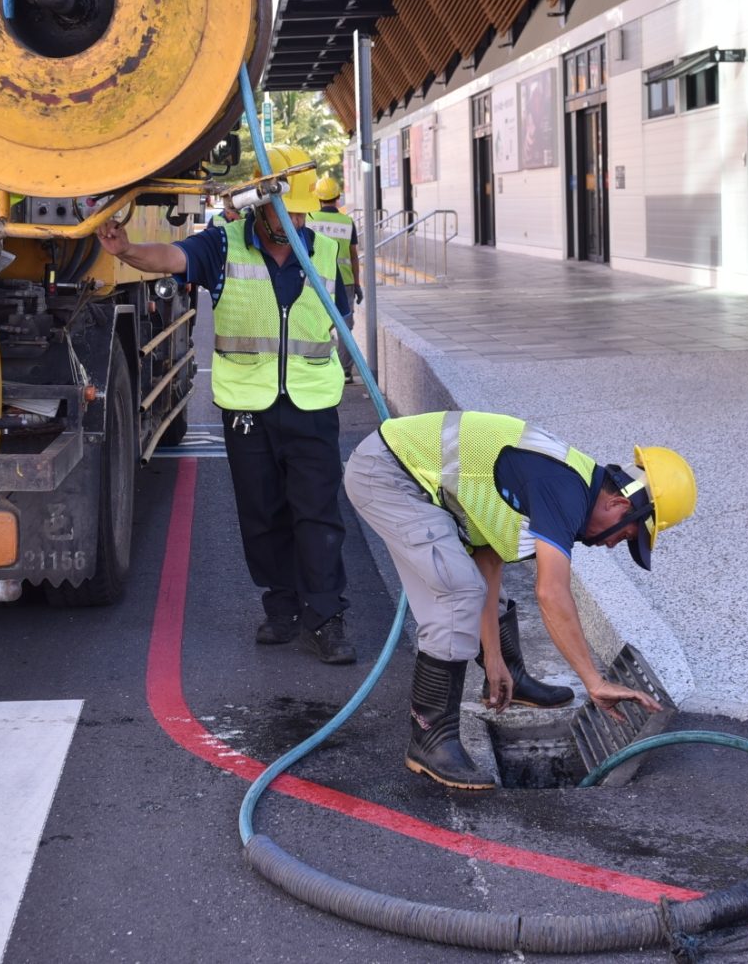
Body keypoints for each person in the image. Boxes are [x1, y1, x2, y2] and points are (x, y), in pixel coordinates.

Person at [96, 145, 358, 662]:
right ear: (260, 203)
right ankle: (281, 608)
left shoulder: (323, 252)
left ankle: (325, 618)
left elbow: (340, 316)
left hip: (311, 406)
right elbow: (172, 257)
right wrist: (126, 250)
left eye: (301, 211)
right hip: (248, 409)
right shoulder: (223, 245)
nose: (294, 219)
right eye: (284, 209)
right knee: (262, 514)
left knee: (318, 516)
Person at [342, 409, 696, 789]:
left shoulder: (574, 483)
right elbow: (551, 592)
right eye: (626, 535)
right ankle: (430, 739)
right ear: (620, 505)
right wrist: (594, 681)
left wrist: (493, 659)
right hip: (388, 475)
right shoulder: (564, 491)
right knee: (457, 592)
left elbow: (489, 558)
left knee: (474, 584)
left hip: (407, 472)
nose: (614, 544)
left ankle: (510, 679)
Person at [306, 175, 362, 378]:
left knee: (314, 323)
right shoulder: (347, 221)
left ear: (317, 198)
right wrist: (357, 284)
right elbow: (354, 255)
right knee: (345, 328)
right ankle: (345, 372)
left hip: (315, 281)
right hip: (345, 282)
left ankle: (315, 366)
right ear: (338, 197)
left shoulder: (309, 219)